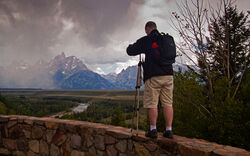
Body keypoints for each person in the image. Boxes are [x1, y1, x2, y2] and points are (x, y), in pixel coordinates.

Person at [126, 21, 174, 139]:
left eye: (146, 30)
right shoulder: (166, 39)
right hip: (168, 75)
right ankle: (169, 130)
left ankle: (153, 130)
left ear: (148, 29)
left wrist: (130, 45)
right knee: (168, 103)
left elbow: (130, 51)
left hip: (153, 76)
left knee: (152, 103)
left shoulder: (147, 39)